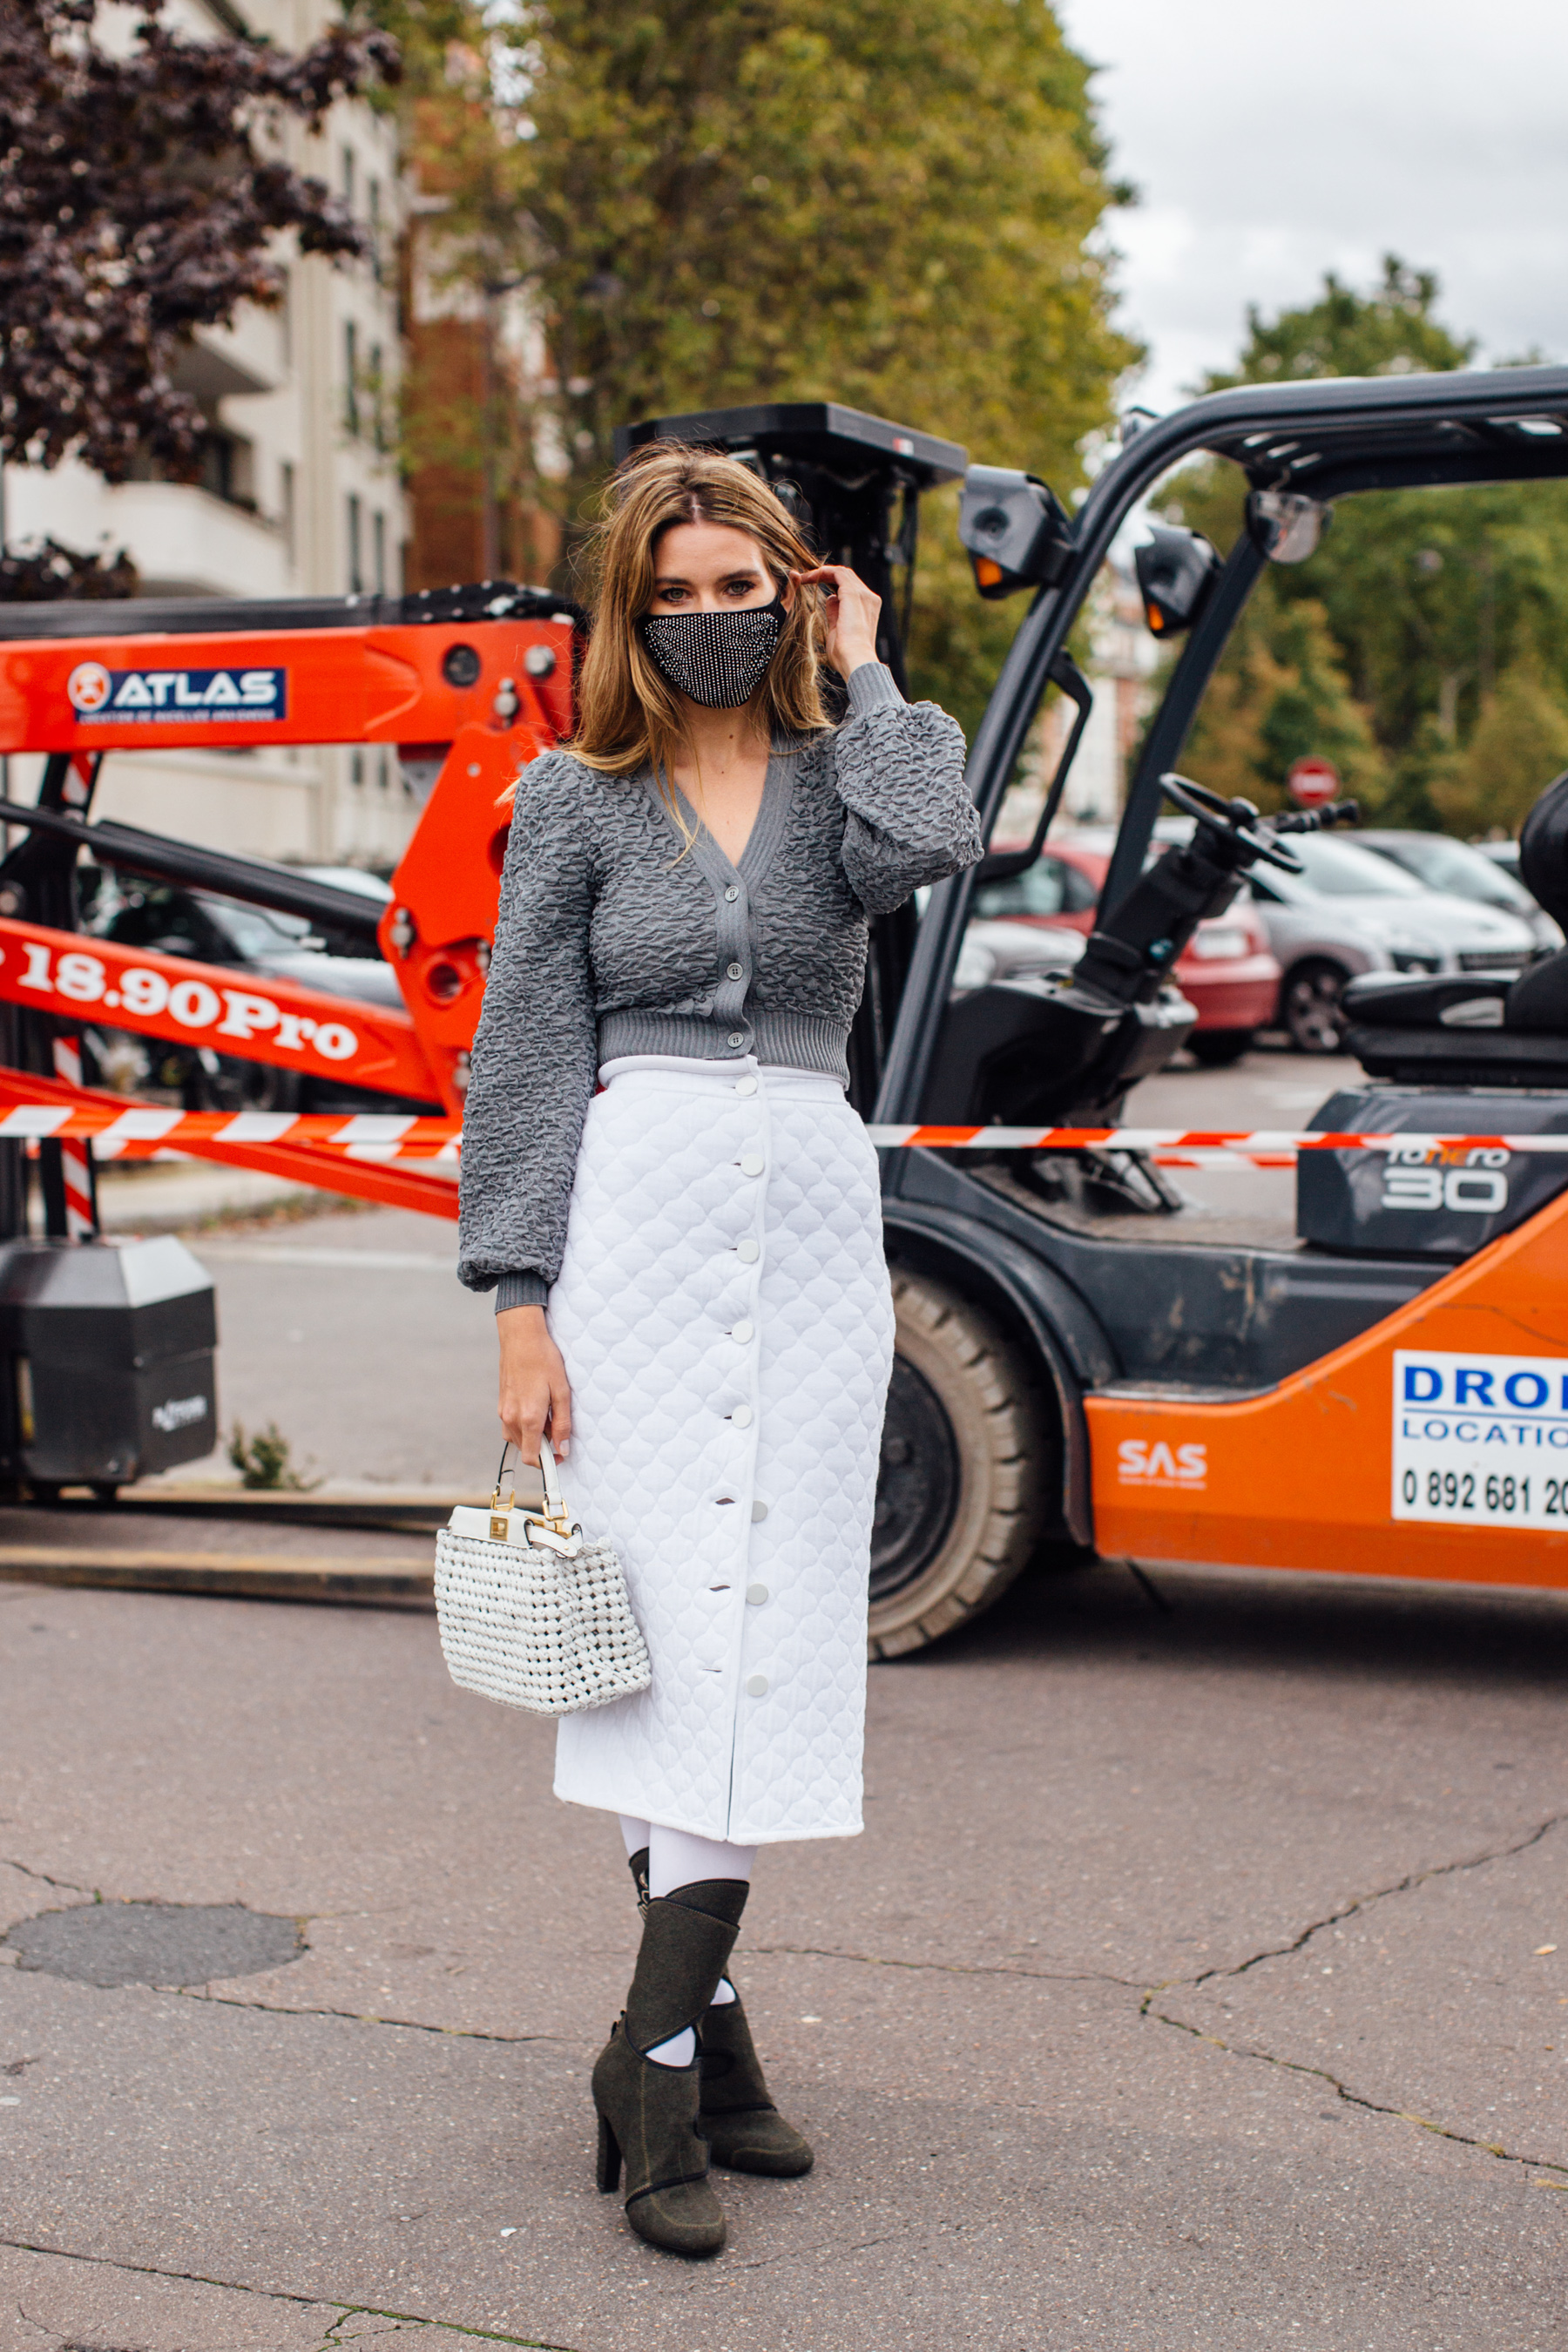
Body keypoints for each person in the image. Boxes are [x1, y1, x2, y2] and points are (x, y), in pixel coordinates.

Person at [457, 441, 982, 2258]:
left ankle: (679, 2055)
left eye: (734, 588)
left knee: (758, 1639)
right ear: (629, 610)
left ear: (791, 589)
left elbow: (939, 843)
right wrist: (518, 1300)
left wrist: (876, 658)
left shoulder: (852, 776)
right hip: (637, 1237)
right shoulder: (573, 799)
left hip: (815, 1227)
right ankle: (669, 2079)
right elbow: (521, 1052)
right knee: (664, 1647)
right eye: (669, 595)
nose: (702, 621)